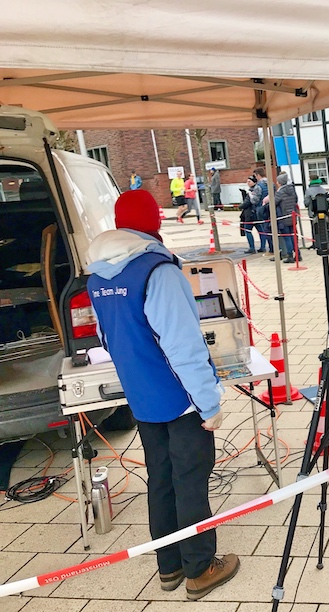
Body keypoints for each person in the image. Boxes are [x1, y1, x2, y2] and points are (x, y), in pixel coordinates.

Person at [86, 189, 240, 601]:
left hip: (142, 397)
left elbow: (106, 338)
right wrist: (208, 402)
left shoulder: (97, 277)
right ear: (155, 222)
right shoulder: (159, 271)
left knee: (161, 480)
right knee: (190, 481)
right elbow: (183, 346)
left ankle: (169, 565)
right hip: (181, 399)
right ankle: (200, 569)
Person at [275, 172, 300, 263]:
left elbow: (274, 202)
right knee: (293, 236)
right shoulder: (292, 190)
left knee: (287, 237)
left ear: (280, 182)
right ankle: (298, 254)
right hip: (292, 216)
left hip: (284, 216)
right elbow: (296, 200)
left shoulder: (280, 192)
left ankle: (290, 256)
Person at [303, 173, 327, 249]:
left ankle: (315, 243)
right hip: (323, 212)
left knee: (314, 228)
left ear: (311, 180)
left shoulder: (308, 191)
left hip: (313, 212)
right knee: (323, 228)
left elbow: (306, 203)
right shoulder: (323, 189)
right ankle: (324, 243)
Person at [239, 176, 261, 254]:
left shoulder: (252, 191)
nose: (248, 183)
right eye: (247, 181)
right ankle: (262, 247)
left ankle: (252, 248)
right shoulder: (257, 189)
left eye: (249, 181)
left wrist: (240, 206)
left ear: (254, 182)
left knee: (248, 230)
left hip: (250, 214)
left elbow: (247, 203)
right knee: (260, 230)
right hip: (257, 213)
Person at [253, 168, 272, 254]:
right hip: (272, 208)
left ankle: (271, 249)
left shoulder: (258, 186)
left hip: (262, 209)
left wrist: (250, 196)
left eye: (255, 176)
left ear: (258, 175)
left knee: (265, 230)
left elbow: (255, 200)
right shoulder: (271, 183)